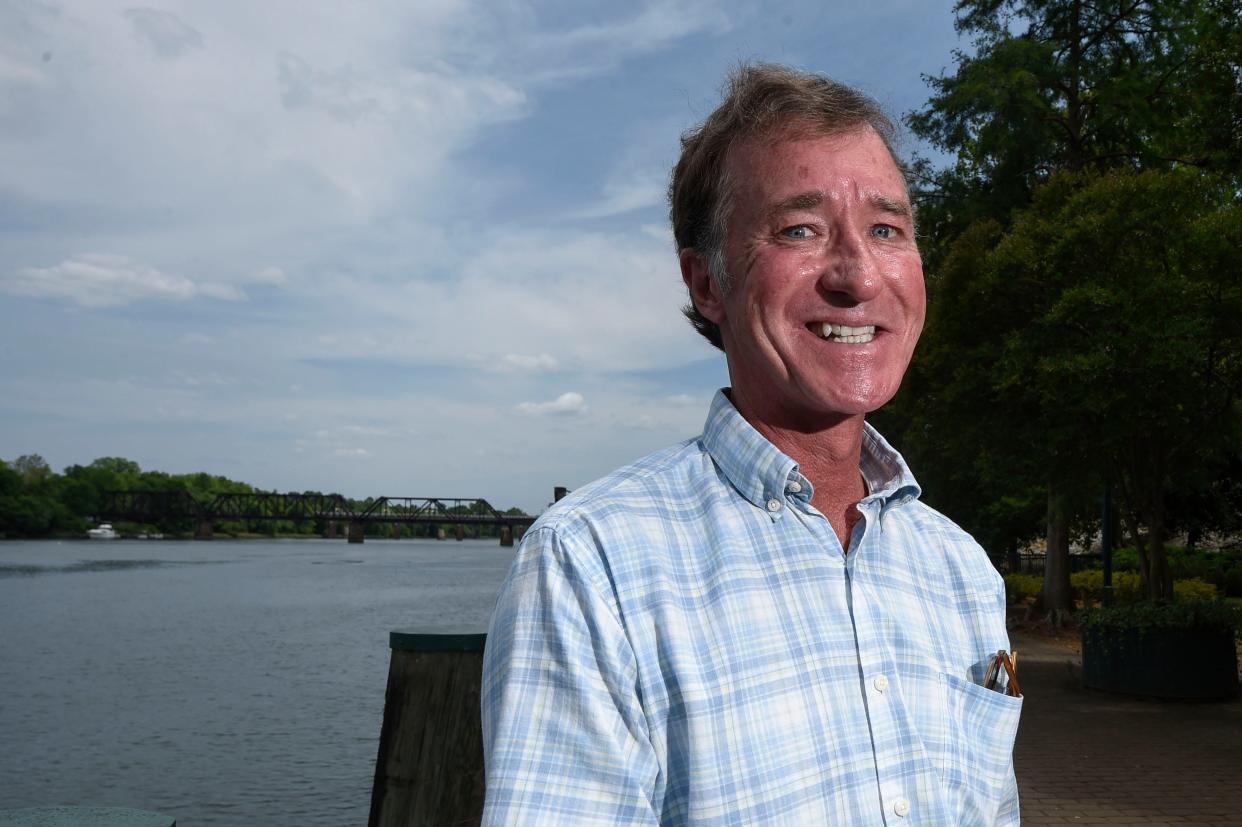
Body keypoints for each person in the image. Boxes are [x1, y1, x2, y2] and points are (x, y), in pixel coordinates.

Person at [481, 63, 1021, 826]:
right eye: (800, 229)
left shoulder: (962, 569)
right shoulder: (592, 566)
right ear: (708, 284)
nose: (858, 274)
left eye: (887, 229)